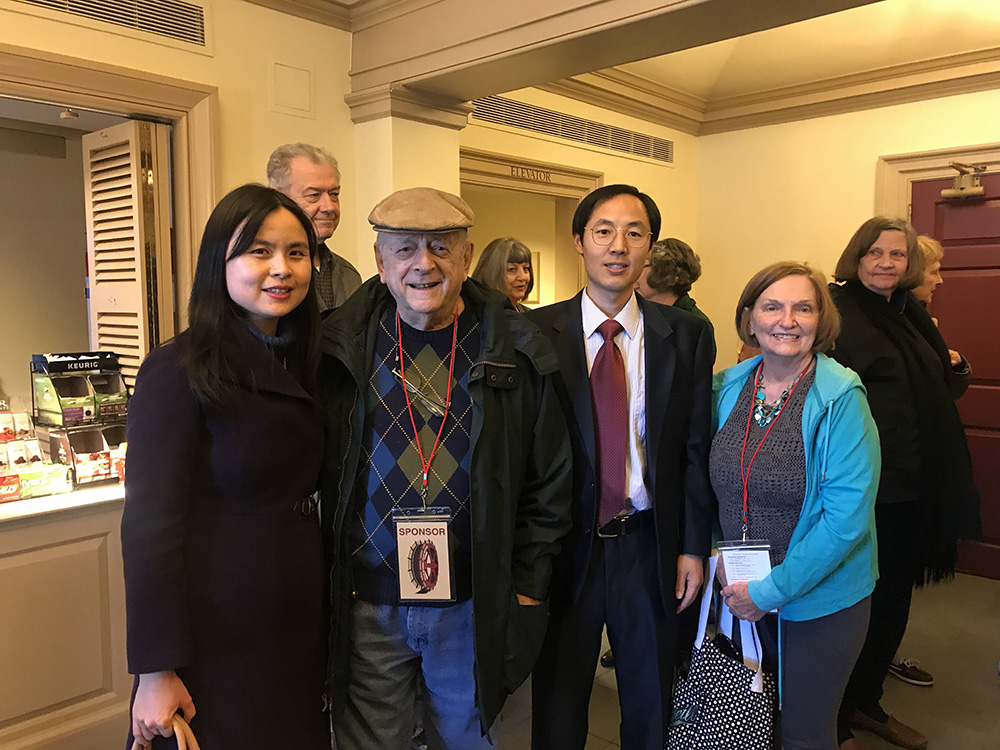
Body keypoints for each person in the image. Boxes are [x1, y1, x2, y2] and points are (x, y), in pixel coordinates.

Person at [319, 187, 572, 749]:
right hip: (369, 602)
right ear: (381, 261)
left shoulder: (518, 349)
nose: (423, 264)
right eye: (404, 248)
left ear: (467, 255)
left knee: (465, 741)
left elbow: (549, 482)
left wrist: (528, 590)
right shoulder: (336, 347)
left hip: (471, 603)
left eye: (440, 247)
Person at [121, 184, 328, 749]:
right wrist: (157, 668)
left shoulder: (311, 360)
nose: (281, 269)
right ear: (221, 261)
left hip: (297, 619)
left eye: (296, 252)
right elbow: (149, 529)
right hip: (217, 630)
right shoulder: (178, 368)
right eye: (259, 251)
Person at [527, 184, 714, 749]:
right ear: (579, 241)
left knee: (651, 701)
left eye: (635, 233)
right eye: (604, 230)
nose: (618, 245)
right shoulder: (535, 333)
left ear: (649, 248)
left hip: (647, 544)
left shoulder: (685, 334)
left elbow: (694, 446)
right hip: (565, 547)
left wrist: (693, 546)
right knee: (558, 706)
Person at [712, 261, 880, 750]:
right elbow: (713, 485)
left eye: (803, 308)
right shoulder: (727, 387)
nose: (787, 320)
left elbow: (845, 522)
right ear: (749, 318)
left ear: (819, 320)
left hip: (819, 600)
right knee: (743, 723)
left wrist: (768, 592)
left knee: (805, 732)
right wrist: (717, 555)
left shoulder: (841, 398)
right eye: (772, 306)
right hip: (739, 587)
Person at [830, 217, 979, 750]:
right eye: (875, 253)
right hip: (866, 485)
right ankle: (835, 717)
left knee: (893, 600)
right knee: (854, 607)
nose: (886, 263)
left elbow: (938, 374)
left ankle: (867, 702)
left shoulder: (908, 311)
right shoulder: (838, 312)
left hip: (914, 482)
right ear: (856, 256)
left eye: (897, 255)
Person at [268, 142, 362, 312]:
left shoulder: (350, 275)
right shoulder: (265, 274)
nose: (329, 207)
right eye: (314, 195)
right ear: (278, 197)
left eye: (334, 194)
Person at [635, 237, 716, 360]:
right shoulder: (637, 314)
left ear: (665, 271)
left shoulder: (696, 325)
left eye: (642, 266)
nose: (633, 275)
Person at [470, 236, 534, 311]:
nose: (523, 277)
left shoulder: (529, 316)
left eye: (525, 268)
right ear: (491, 274)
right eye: (512, 269)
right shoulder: (477, 316)